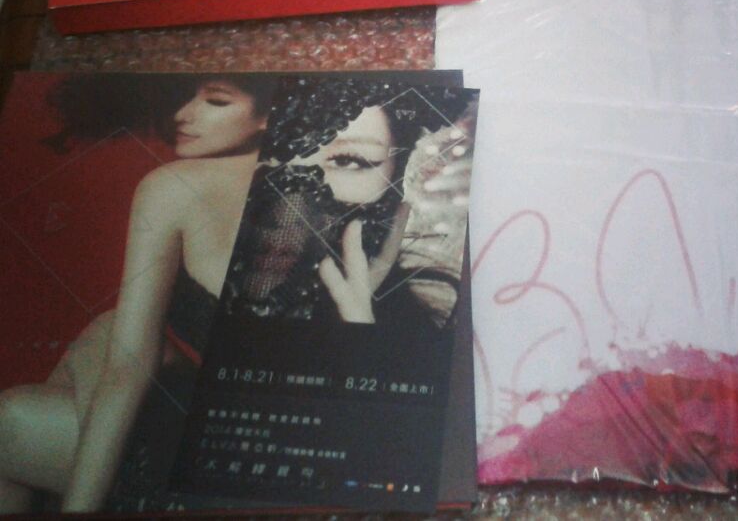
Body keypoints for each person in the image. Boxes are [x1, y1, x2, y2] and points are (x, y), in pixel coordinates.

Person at [0, 73, 474, 514]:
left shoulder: (415, 298)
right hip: (214, 422)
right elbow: (127, 367)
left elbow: (377, 460)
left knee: (16, 419)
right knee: (102, 338)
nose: (183, 115)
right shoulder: (175, 189)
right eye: (291, 150)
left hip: (265, 464)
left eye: (351, 161)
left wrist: (355, 331)